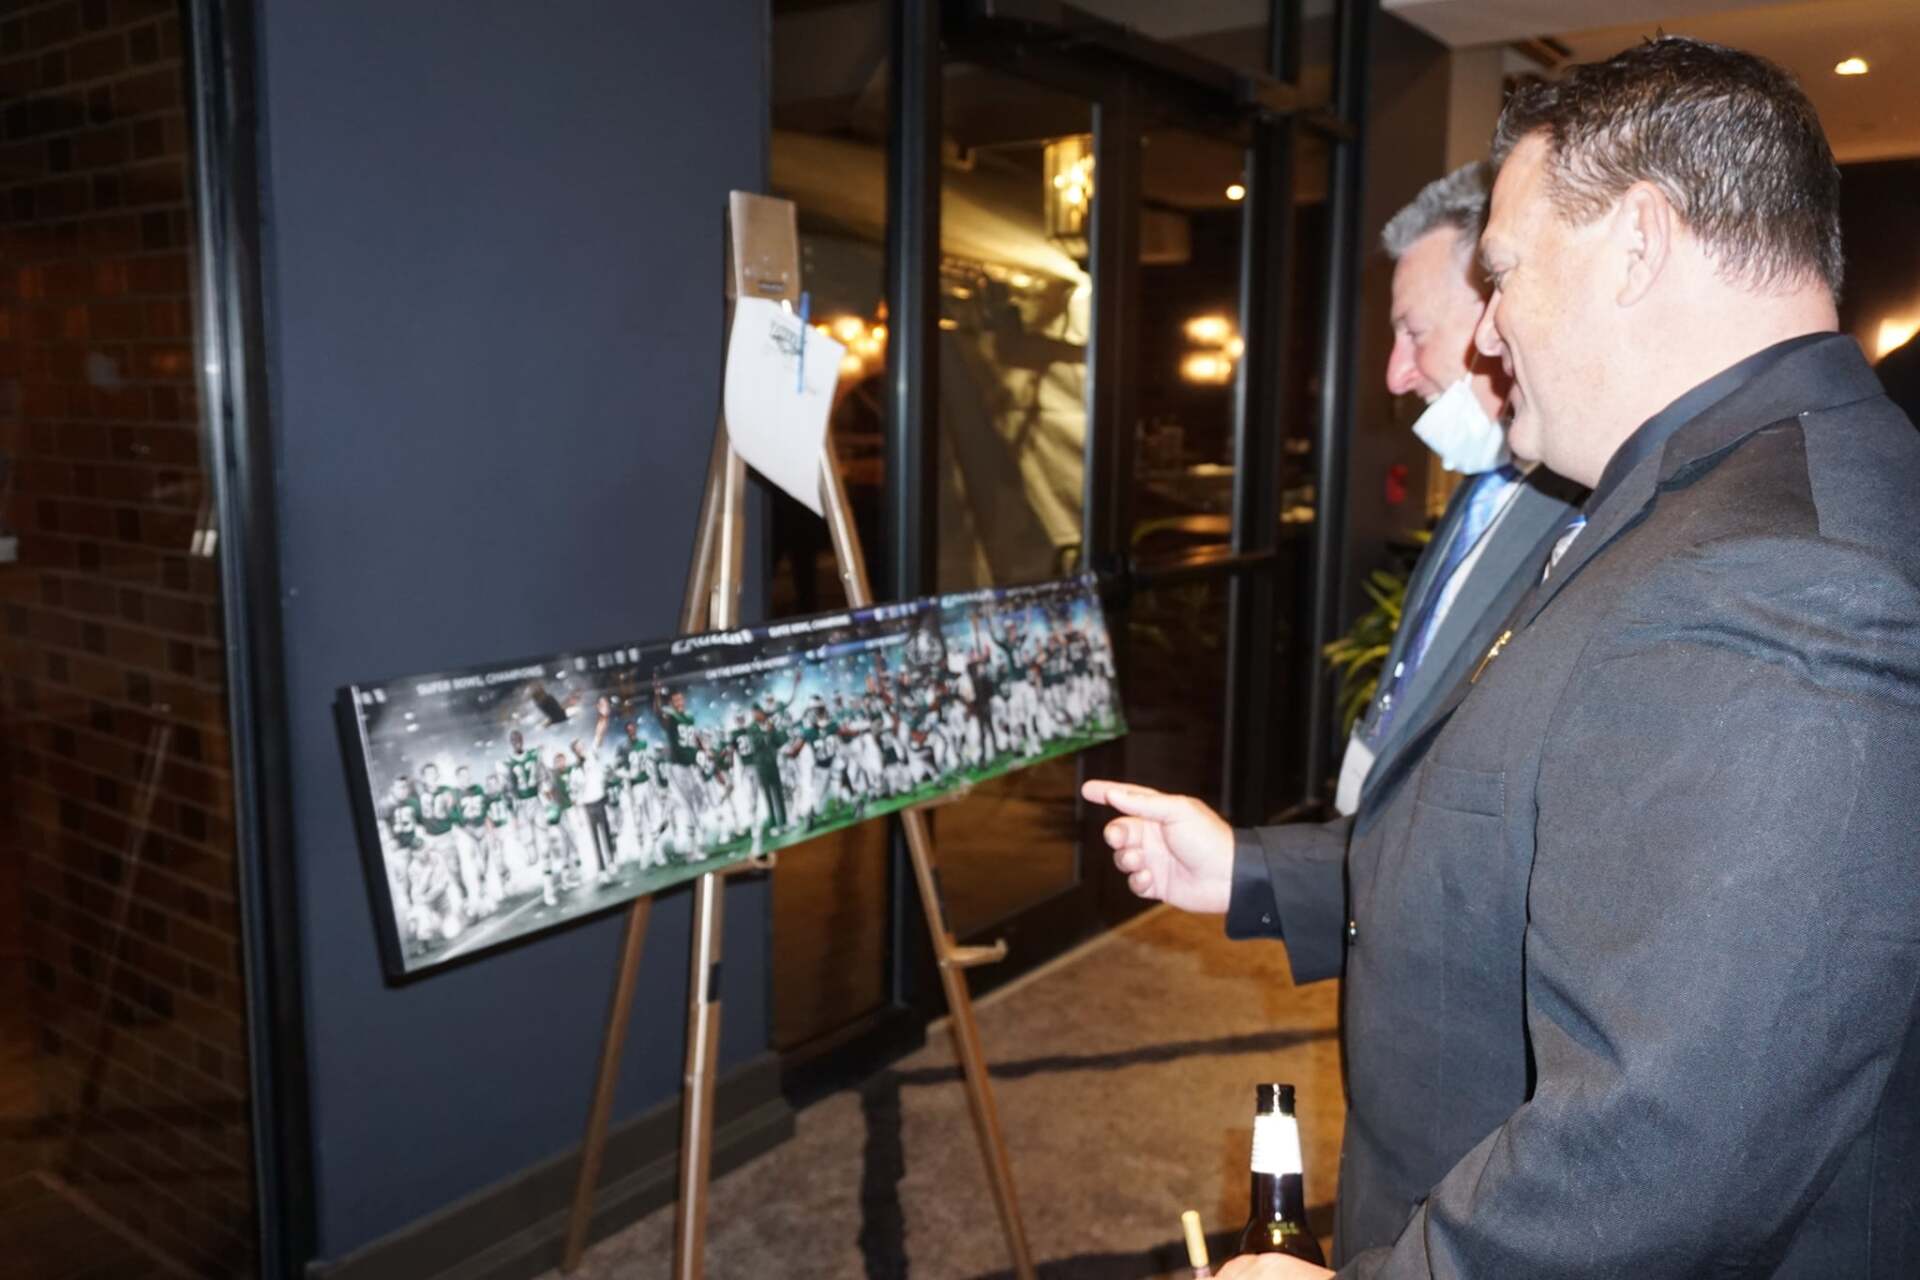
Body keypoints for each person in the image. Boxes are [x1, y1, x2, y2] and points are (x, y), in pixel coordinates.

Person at [1093, 37, 1920, 1278]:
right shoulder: (1689, 499)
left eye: (1505, 270)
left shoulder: (1779, 568)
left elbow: (1668, 1145)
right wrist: (1262, 870)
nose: (1490, 330)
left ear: (1637, 243)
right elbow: (1515, 823)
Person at [1338, 161, 1583, 815]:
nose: (1395, 375)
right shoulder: (1483, 485)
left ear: (1497, 312)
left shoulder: (1590, 507)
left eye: (1413, 332)